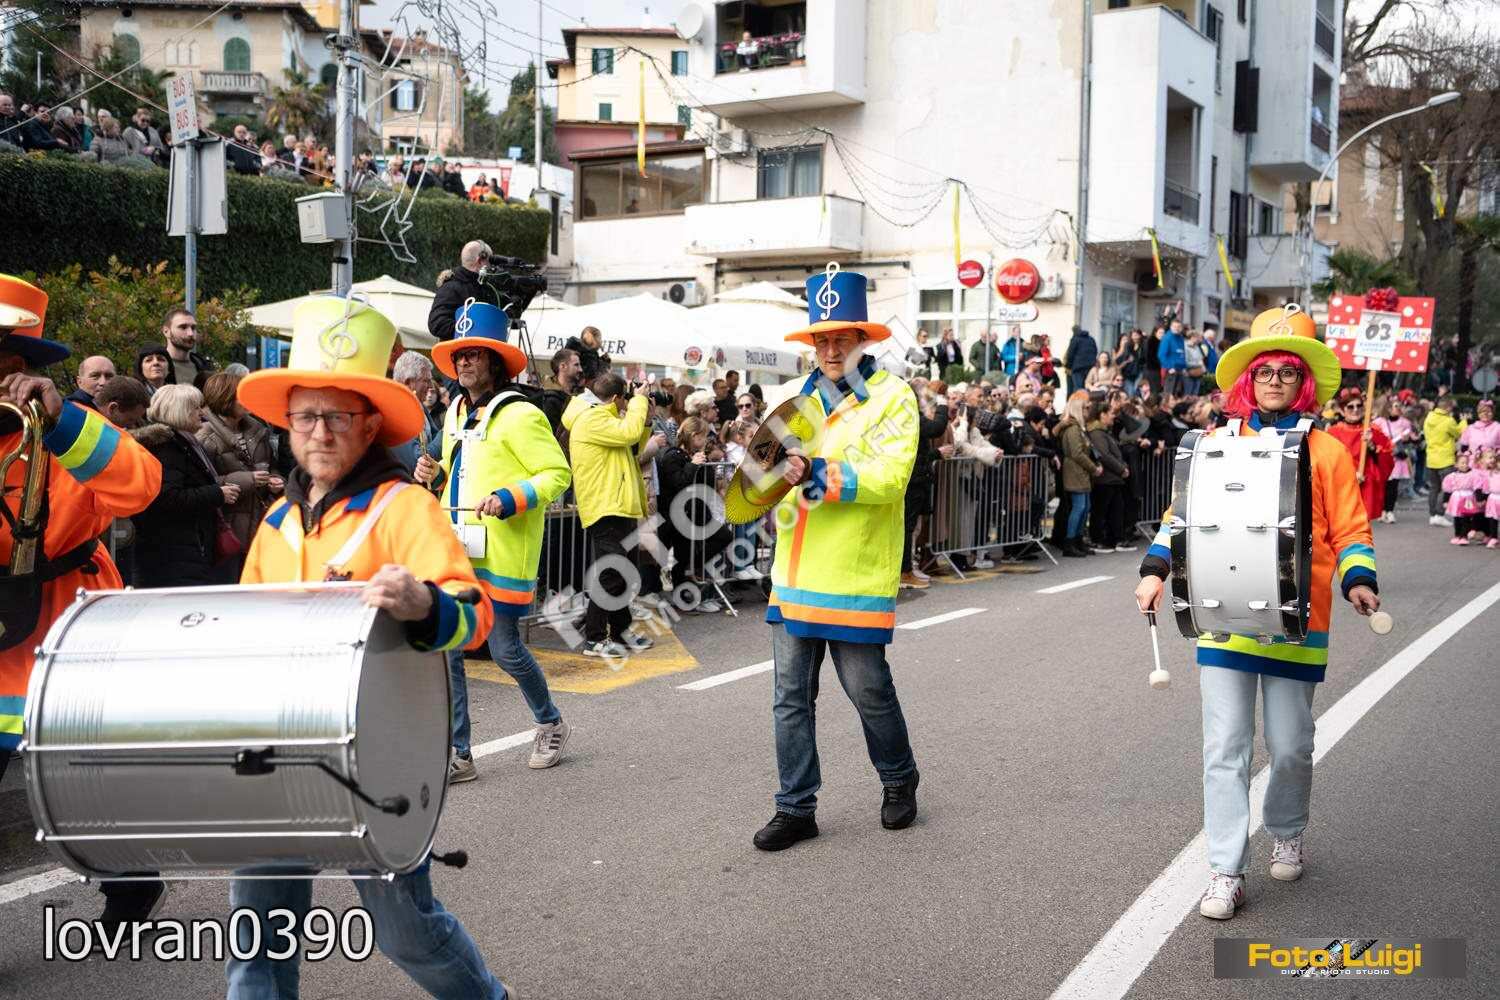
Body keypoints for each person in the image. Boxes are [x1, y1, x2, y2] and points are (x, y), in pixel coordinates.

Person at [227, 295, 509, 998]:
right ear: (287, 425)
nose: (319, 431)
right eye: (305, 416)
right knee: (256, 941)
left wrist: (425, 604)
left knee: (403, 930)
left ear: (371, 424)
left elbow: (474, 616)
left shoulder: (404, 507)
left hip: (378, 756)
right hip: (277, 751)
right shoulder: (277, 521)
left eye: (338, 416)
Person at [1135, 306, 1380, 922]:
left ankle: (1287, 830)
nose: (1274, 380)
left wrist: (1358, 579)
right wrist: (1155, 570)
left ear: (1303, 381)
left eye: (1286, 371)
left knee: (1292, 746)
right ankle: (1226, 869)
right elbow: (1181, 516)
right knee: (1225, 747)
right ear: (1249, 379)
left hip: (1300, 618)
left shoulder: (1327, 451)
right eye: (1265, 370)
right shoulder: (1216, 445)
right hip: (1224, 614)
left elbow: (1351, 529)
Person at [0, 275, 167, 935]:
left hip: (69, 630)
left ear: (21, 366)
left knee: (87, 788)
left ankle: (132, 885)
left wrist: (64, 422)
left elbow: (142, 486)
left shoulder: (68, 428)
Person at [736, 264, 921, 852]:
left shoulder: (894, 397)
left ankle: (899, 778)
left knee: (869, 692)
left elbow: (890, 478)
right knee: (790, 699)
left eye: (842, 338)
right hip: (793, 572)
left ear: (863, 339)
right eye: (822, 339)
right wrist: (757, 474)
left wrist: (815, 471)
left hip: (855, 574)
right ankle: (795, 807)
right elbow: (756, 481)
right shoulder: (792, 400)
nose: (832, 349)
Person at [419, 302, 573, 780]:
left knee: (505, 650)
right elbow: (454, 472)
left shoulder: (521, 414)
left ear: (496, 361)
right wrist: (432, 473)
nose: (464, 361)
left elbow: (557, 474)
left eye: (475, 354)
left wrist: (510, 497)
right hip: (456, 548)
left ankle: (550, 722)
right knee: (449, 650)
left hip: (503, 552)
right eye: (459, 354)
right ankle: (458, 753)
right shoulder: (454, 411)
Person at [562, 371, 652, 658]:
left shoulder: (604, 418)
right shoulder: (591, 418)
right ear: (616, 398)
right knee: (611, 574)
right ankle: (595, 638)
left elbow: (632, 446)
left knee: (623, 574)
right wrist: (640, 402)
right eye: (625, 399)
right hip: (605, 507)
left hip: (618, 504)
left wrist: (644, 417)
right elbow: (629, 433)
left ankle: (622, 632)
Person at [129, 384, 238, 587]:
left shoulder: (182, 443)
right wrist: (217, 493)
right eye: (196, 407)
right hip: (172, 554)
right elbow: (167, 498)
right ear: (180, 410)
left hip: (182, 550)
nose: (202, 413)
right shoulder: (167, 448)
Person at [197, 372, 281, 574]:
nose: (248, 400)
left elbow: (272, 466)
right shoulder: (203, 435)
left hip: (260, 520)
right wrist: (247, 479)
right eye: (241, 395)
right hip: (225, 526)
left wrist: (278, 481)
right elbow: (202, 484)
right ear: (224, 398)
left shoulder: (258, 429)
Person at [656, 415, 736, 595]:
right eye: (703, 436)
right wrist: (692, 465)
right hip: (677, 516)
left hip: (697, 514)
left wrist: (704, 463)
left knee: (723, 536)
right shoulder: (672, 456)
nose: (706, 440)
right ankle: (680, 590)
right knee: (678, 556)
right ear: (694, 435)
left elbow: (708, 485)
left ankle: (690, 569)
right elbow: (679, 483)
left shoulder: (695, 455)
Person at [1325, 388, 1392, 523]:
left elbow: (1388, 460)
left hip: (1365, 489)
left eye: (1359, 406)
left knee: (1361, 529)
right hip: (1341, 490)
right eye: (1350, 407)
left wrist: (1372, 445)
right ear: (1342, 410)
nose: (1355, 410)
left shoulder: (1373, 431)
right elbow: (1327, 464)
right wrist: (1350, 477)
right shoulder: (1332, 433)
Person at [1055, 391, 1100, 557]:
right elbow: (1077, 453)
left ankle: (1078, 540)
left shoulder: (1078, 428)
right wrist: (1093, 468)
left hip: (1080, 471)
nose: (1088, 411)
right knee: (1079, 507)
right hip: (1075, 471)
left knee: (1085, 507)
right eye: (1085, 408)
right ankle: (1070, 541)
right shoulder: (1073, 429)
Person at [428, 240, 499, 342]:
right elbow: (437, 324)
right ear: (480, 260)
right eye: (491, 261)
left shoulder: (486, 288)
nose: (491, 267)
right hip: (458, 350)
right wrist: (474, 330)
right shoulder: (451, 287)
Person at [1087, 404, 1132, 552]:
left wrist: (1123, 466)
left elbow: (1114, 453)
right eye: (1111, 413)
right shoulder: (1097, 434)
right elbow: (1104, 455)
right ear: (1102, 414)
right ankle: (1099, 540)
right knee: (1101, 512)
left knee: (1115, 510)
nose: (1114, 416)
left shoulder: (1104, 432)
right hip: (1105, 479)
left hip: (1113, 478)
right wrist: (1121, 469)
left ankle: (1115, 539)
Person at [390, 351, 444, 474]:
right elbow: (417, 461)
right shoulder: (395, 411)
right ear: (408, 382)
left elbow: (434, 435)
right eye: (426, 380)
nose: (431, 386)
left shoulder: (418, 404)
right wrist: (446, 433)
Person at [1422, 396, 1465, 525]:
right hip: (1445, 459)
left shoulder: (1429, 417)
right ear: (1448, 407)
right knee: (1446, 488)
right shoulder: (1448, 420)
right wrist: (1463, 421)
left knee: (1434, 488)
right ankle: (1439, 515)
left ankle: (1432, 515)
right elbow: (1459, 433)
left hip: (1431, 459)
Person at [1373, 397, 1414, 522]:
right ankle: (1382, 511)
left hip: (1397, 458)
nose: (1398, 408)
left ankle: (1390, 511)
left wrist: (1406, 439)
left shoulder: (1405, 422)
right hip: (1383, 457)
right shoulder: (1379, 422)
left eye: (1399, 406)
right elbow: (1373, 436)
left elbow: (1409, 438)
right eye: (1395, 406)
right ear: (1388, 408)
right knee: (1382, 486)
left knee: (1393, 486)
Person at [159, 308, 216, 386]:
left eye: (193, 328)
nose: (190, 333)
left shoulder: (205, 367)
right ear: (166, 331)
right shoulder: (154, 367)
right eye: (183, 327)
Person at [1441, 452, 1484, 545]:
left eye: (1466, 463)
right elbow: (1448, 490)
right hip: (1456, 498)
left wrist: (1479, 499)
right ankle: (1457, 535)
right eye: (1462, 463)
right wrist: (1446, 500)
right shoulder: (1451, 476)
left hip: (1468, 498)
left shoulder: (1473, 475)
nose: (1465, 465)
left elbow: (1477, 488)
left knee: (1466, 518)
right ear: (1456, 465)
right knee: (1457, 518)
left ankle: (1464, 536)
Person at [1064, 325, 1099, 392]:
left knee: (1078, 388)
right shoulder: (1091, 339)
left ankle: (1080, 398)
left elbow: (1070, 354)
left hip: (1078, 368)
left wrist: (1068, 366)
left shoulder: (1075, 339)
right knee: (1088, 386)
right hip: (1090, 367)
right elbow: (1095, 351)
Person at [1158, 319, 1187, 396]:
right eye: (1175, 326)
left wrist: (1184, 367)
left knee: (1176, 394)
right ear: (1171, 327)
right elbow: (1161, 355)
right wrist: (1169, 367)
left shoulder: (1181, 338)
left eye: (1179, 327)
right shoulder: (1167, 338)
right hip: (1171, 370)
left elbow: (1183, 353)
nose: (1177, 328)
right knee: (1168, 394)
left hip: (1180, 369)